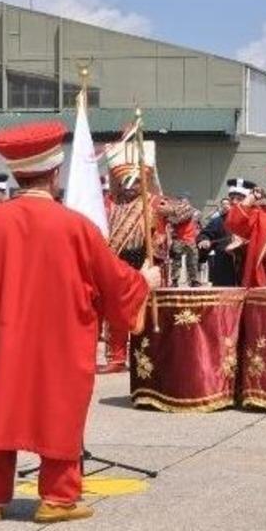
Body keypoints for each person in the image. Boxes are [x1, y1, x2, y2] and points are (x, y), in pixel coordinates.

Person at [0, 120, 159, 524]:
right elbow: (114, 283)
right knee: (58, 411)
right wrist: (145, 280)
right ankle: (57, 499)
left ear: (15, 175)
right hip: (58, 343)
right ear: (55, 173)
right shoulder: (77, 227)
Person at [101, 159, 167, 372]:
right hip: (118, 261)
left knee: (144, 311)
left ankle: (146, 356)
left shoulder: (153, 202)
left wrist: (152, 256)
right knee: (117, 309)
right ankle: (116, 357)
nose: (129, 187)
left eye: (135, 182)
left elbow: (174, 220)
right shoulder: (111, 203)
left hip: (145, 261)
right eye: (125, 182)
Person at [199, 180, 254, 287]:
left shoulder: (255, 219)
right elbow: (205, 234)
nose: (234, 202)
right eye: (232, 198)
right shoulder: (219, 220)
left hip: (248, 269)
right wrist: (204, 240)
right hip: (224, 270)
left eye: (239, 199)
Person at [166, 193, 201, 287]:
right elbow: (172, 220)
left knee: (192, 261)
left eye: (183, 200)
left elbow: (179, 219)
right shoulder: (173, 212)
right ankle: (174, 280)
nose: (181, 202)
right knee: (176, 261)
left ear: (188, 201)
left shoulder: (195, 212)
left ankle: (194, 280)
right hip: (178, 239)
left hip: (190, 239)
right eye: (180, 200)